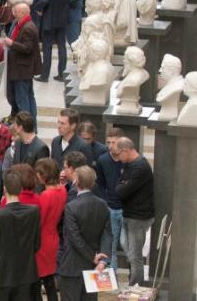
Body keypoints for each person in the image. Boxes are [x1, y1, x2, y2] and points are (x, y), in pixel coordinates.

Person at [0, 168, 40, 300]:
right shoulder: (33, 211)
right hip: (25, 273)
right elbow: (36, 244)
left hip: (1, 274)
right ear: (20, 189)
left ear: (5, 189)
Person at [58, 166, 112, 301]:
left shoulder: (71, 206)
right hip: (94, 268)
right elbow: (107, 235)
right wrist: (103, 261)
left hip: (72, 267)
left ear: (76, 182)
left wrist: (92, 257)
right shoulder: (103, 205)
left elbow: (74, 237)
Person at [115, 137, 155, 286]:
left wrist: (122, 185)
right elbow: (119, 186)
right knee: (126, 247)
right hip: (128, 213)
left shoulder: (140, 167)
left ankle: (135, 285)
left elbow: (122, 191)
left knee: (135, 255)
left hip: (139, 217)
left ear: (126, 150)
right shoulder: (128, 165)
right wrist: (122, 185)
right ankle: (136, 282)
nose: (117, 158)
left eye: (118, 154)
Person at [34, 0, 81, 82]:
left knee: (47, 47)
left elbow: (44, 0)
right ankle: (61, 74)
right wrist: (67, 4)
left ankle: (45, 75)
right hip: (63, 18)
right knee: (62, 46)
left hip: (49, 19)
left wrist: (38, 8)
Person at [32, 158, 66, 301]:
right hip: (53, 237)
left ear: (44, 175)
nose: (37, 176)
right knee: (49, 280)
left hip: (42, 241)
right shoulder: (62, 189)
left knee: (37, 281)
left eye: (38, 173)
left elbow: (39, 221)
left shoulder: (46, 195)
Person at [3, 3, 41, 123]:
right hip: (21, 68)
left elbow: (27, 48)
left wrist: (11, 44)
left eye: (16, 12)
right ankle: (31, 124)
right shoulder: (20, 24)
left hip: (22, 70)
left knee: (23, 99)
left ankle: (26, 125)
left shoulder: (28, 27)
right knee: (28, 97)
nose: (14, 14)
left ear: (24, 13)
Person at [95, 128, 125, 272]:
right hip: (110, 207)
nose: (111, 145)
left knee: (127, 245)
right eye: (109, 142)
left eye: (114, 142)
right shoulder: (103, 160)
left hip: (126, 208)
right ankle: (112, 279)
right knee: (111, 245)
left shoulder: (127, 160)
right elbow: (100, 183)